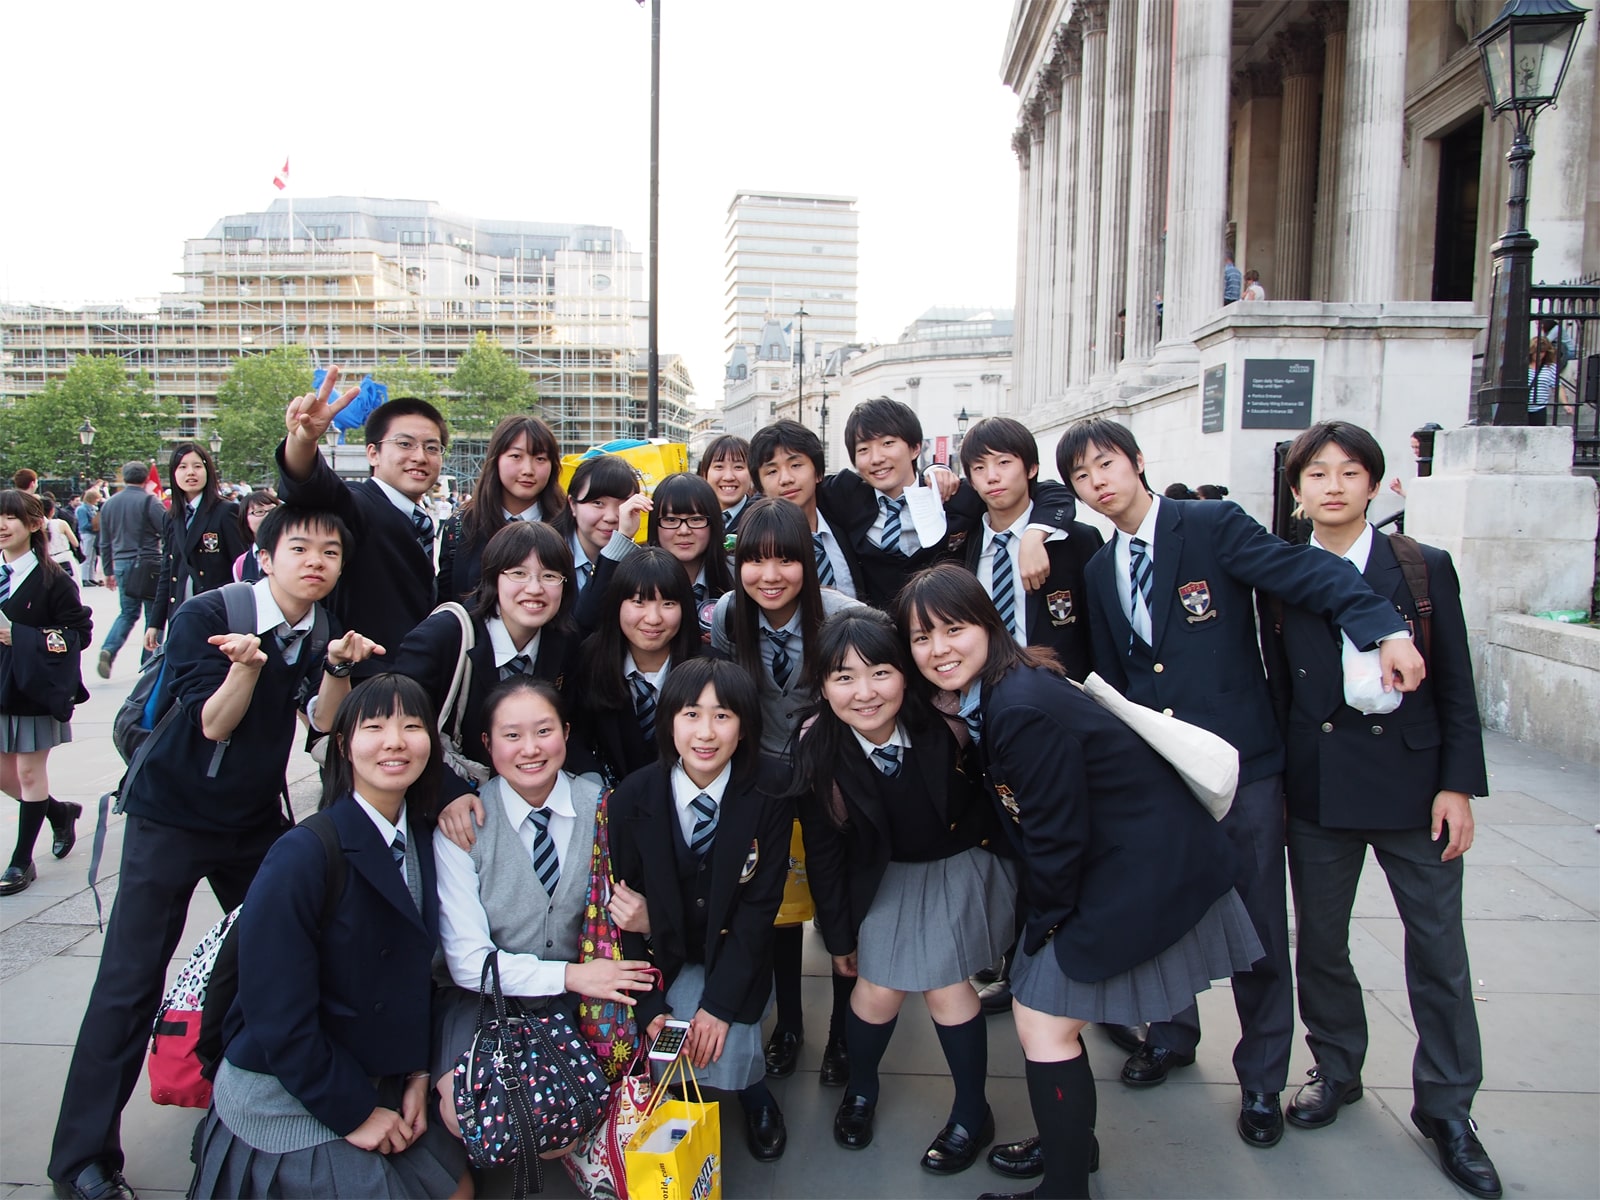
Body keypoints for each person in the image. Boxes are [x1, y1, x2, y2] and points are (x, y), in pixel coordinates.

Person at [1057, 417, 1426, 1151]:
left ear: (1137, 461)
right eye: (1081, 476)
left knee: (1257, 927)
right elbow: (1116, 674)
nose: (1098, 482)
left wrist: (1383, 627)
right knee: (1163, 911)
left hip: (1243, 765)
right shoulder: (1099, 569)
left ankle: (1261, 1078)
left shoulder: (1210, 524)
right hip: (1163, 770)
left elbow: (1307, 573)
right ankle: (1170, 1034)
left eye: (1106, 464)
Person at [897, 564, 1263, 1200]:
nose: (938, 650)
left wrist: (1041, 927)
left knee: (1043, 1022)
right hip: (1122, 861)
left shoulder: (1019, 708)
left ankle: (1065, 1185)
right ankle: (1070, 1144)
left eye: (953, 629)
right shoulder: (1007, 687)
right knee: (1050, 1021)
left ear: (988, 624)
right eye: (921, 638)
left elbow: (1055, 837)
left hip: (1140, 872)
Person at [49, 505, 384, 1200]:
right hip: (170, 818)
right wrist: (245, 669)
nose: (316, 561)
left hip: (251, 820)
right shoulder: (208, 614)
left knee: (283, 954)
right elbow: (211, 725)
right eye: (300, 547)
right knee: (129, 981)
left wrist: (337, 667)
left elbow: (323, 723)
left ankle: (239, 1105)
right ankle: (81, 1158)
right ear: (265, 556)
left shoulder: (320, 626)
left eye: (330, 552)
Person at [1263, 421, 1501, 1200]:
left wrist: (1457, 785)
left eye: (1349, 471)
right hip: (1319, 788)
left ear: (1373, 483)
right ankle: (1336, 1067)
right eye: (1317, 474)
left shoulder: (1421, 566)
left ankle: (1448, 1108)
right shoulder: (1281, 573)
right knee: (1321, 944)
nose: (1333, 485)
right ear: (1297, 492)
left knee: (1438, 949)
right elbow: (1277, 689)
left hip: (1415, 787)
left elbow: (1456, 683)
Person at [189, 674, 471, 1200]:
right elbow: (276, 1012)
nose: (395, 742)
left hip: (376, 1068)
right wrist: (355, 1113)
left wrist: (416, 1072)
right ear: (342, 745)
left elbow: (413, 977)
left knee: (458, 1188)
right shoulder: (304, 853)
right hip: (292, 1088)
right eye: (375, 727)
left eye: (412, 726)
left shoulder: (421, 836)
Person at [797, 610, 1018, 1173]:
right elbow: (824, 852)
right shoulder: (817, 747)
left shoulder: (946, 720)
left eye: (880, 672)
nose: (865, 693)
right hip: (883, 873)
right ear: (822, 685)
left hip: (956, 861)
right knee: (876, 991)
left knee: (946, 987)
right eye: (844, 677)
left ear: (905, 672)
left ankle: (972, 1111)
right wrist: (839, 936)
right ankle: (861, 1088)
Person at [432, 677, 654, 1144]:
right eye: (511, 735)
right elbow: (469, 964)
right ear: (487, 743)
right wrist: (572, 976)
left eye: (544, 731)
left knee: (569, 1112)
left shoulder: (604, 809)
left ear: (566, 733)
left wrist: (647, 918)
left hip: (578, 998)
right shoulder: (463, 827)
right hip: (487, 1001)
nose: (530, 749)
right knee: (473, 1108)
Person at [608, 658, 794, 1162]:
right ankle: (685, 1099)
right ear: (669, 721)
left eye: (723, 716)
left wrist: (718, 1007)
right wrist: (649, 1007)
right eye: (691, 714)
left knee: (725, 1035)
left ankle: (753, 1092)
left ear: (744, 727)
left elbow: (758, 912)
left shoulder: (771, 789)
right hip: (662, 957)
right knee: (669, 1041)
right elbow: (625, 918)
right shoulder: (632, 797)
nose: (706, 733)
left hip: (736, 952)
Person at [709, 497, 865, 1087]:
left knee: (836, 901)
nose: (769, 576)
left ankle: (843, 1035)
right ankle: (790, 1026)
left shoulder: (846, 619)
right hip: (764, 781)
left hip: (831, 778)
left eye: (785, 560)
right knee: (774, 905)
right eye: (755, 560)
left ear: (808, 559)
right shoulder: (730, 615)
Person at [958, 415, 1104, 1017]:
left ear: (1031, 470)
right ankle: (1019, 966)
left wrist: (1038, 532)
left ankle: (1091, 978)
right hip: (982, 716)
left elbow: (1099, 637)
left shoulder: (1075, 543)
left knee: (1071, 842)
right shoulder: (961, 540)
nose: (993, 477)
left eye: (1005, 463)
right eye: (979, 467)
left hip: (1057, 716)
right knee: (1010, 840)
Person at [390, 520, 587, 835]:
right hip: (445, 809)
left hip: (524, 804)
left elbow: (570, 724)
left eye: (550, 576)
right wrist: (448, 792)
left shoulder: (563, 640)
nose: (534, 588)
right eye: (518, 573)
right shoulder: (444, 636)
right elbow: (397, 726)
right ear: (493, 577)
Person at [278, 365, 448, 679]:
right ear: (373, 453)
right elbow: (313, 487)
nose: (420, 456)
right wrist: (302, 442)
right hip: (361, 681)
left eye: (432, 447)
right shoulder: (358, 505)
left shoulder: (422, 519)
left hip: (416, 680)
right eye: (405, 444)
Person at [0, 490, 91, 897]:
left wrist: (21, 637)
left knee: (28, 773)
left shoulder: (54, 580)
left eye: (10, 517)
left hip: (32, 687)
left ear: (35, 524)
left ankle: (21, 860)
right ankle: (58, 812)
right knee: (6, 775)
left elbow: (78, 633)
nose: (2, 525)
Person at [577, 547, 701, 784]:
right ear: (617, 603)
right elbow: (577, 736)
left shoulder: (708, 670)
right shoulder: (590, 661)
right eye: (638, 602)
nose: (653, 618)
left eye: (668, 603)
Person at [577, 473, 734, 639]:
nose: (684, 531)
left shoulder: (735, 572)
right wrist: (623, 536)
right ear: (655, 524)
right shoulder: (636, 572)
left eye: (696, 519)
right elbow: (586, 618)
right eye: (671, 520)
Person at [436, 414, 566, 605]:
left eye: (540, 458)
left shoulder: (567, 526)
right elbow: (446, 600)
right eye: (516, 456)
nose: (528, 470)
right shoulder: (461, 525)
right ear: (495, 459)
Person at [146, 442, 246, 651]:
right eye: (182, 467)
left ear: (208, 471)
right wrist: (155, 623)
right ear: (174, 473)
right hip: (181, 613)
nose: (190, 472)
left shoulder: (226, 511)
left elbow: (242, 567)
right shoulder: (171, 517)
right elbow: (168, 571)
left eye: (197, 466)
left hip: (217, 613)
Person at [96, 461, 167, 678]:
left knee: (127, 612)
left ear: (124, 477)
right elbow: (167, 529)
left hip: (121, 563)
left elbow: (104, 541)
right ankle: (150, 662)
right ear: (146, 479)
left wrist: (108, 570)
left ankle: (109, 649)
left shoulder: (109, 504)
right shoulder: (149, 501)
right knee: (154, 615)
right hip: (148, 563)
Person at [555, 454, 652, 601]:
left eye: (623, 504)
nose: (611, 517)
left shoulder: (644, 563)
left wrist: (622, 540)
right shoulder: (545, 553)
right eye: (598, 503)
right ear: (573, 504)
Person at [698, 433, 756, 535]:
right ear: (704, 474)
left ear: (752, 474)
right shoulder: (693, 518)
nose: (728, 477)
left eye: (738, 467)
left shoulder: (761, 519)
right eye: (719, 467)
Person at [232, 490, 282, 583]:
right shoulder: (241, 564)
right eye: (259, 512)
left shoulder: (297, 552)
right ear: (245, 520)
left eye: (273, 510)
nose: (268, 516)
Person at [41, 496, 82, 573]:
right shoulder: (61, 523)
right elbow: (75, 543)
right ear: (52, 510)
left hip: (48, 560)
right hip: (65, 557)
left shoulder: (37, 527)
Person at [1527, 336, 1558, 426]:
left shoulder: (1550, 367)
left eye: (1542, 352)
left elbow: (1557, 386)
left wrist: (1565, 404)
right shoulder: (1523, 366)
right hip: (1522, 407)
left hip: (1539, 408)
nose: (1539, 355)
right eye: (1536, 352)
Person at [76, 487, 101, 587]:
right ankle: (84, 578)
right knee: (87, 556)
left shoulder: (92, 508)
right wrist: (96, 525)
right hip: (87, 534)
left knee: (93, 557)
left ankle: (91, 577)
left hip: (93, 534)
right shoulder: (82, 509)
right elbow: (84, 525)